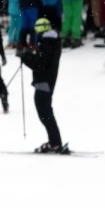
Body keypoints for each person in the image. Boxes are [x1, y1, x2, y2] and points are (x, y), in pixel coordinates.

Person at [19, 17, 66, 154]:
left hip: (44, 81)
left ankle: (55, 143)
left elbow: (39, 64)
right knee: (46, 113)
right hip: (47, 81)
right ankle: (54, 141)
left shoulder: (47, 43)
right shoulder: (52, 42)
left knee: (45, 114)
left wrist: (25, 57)